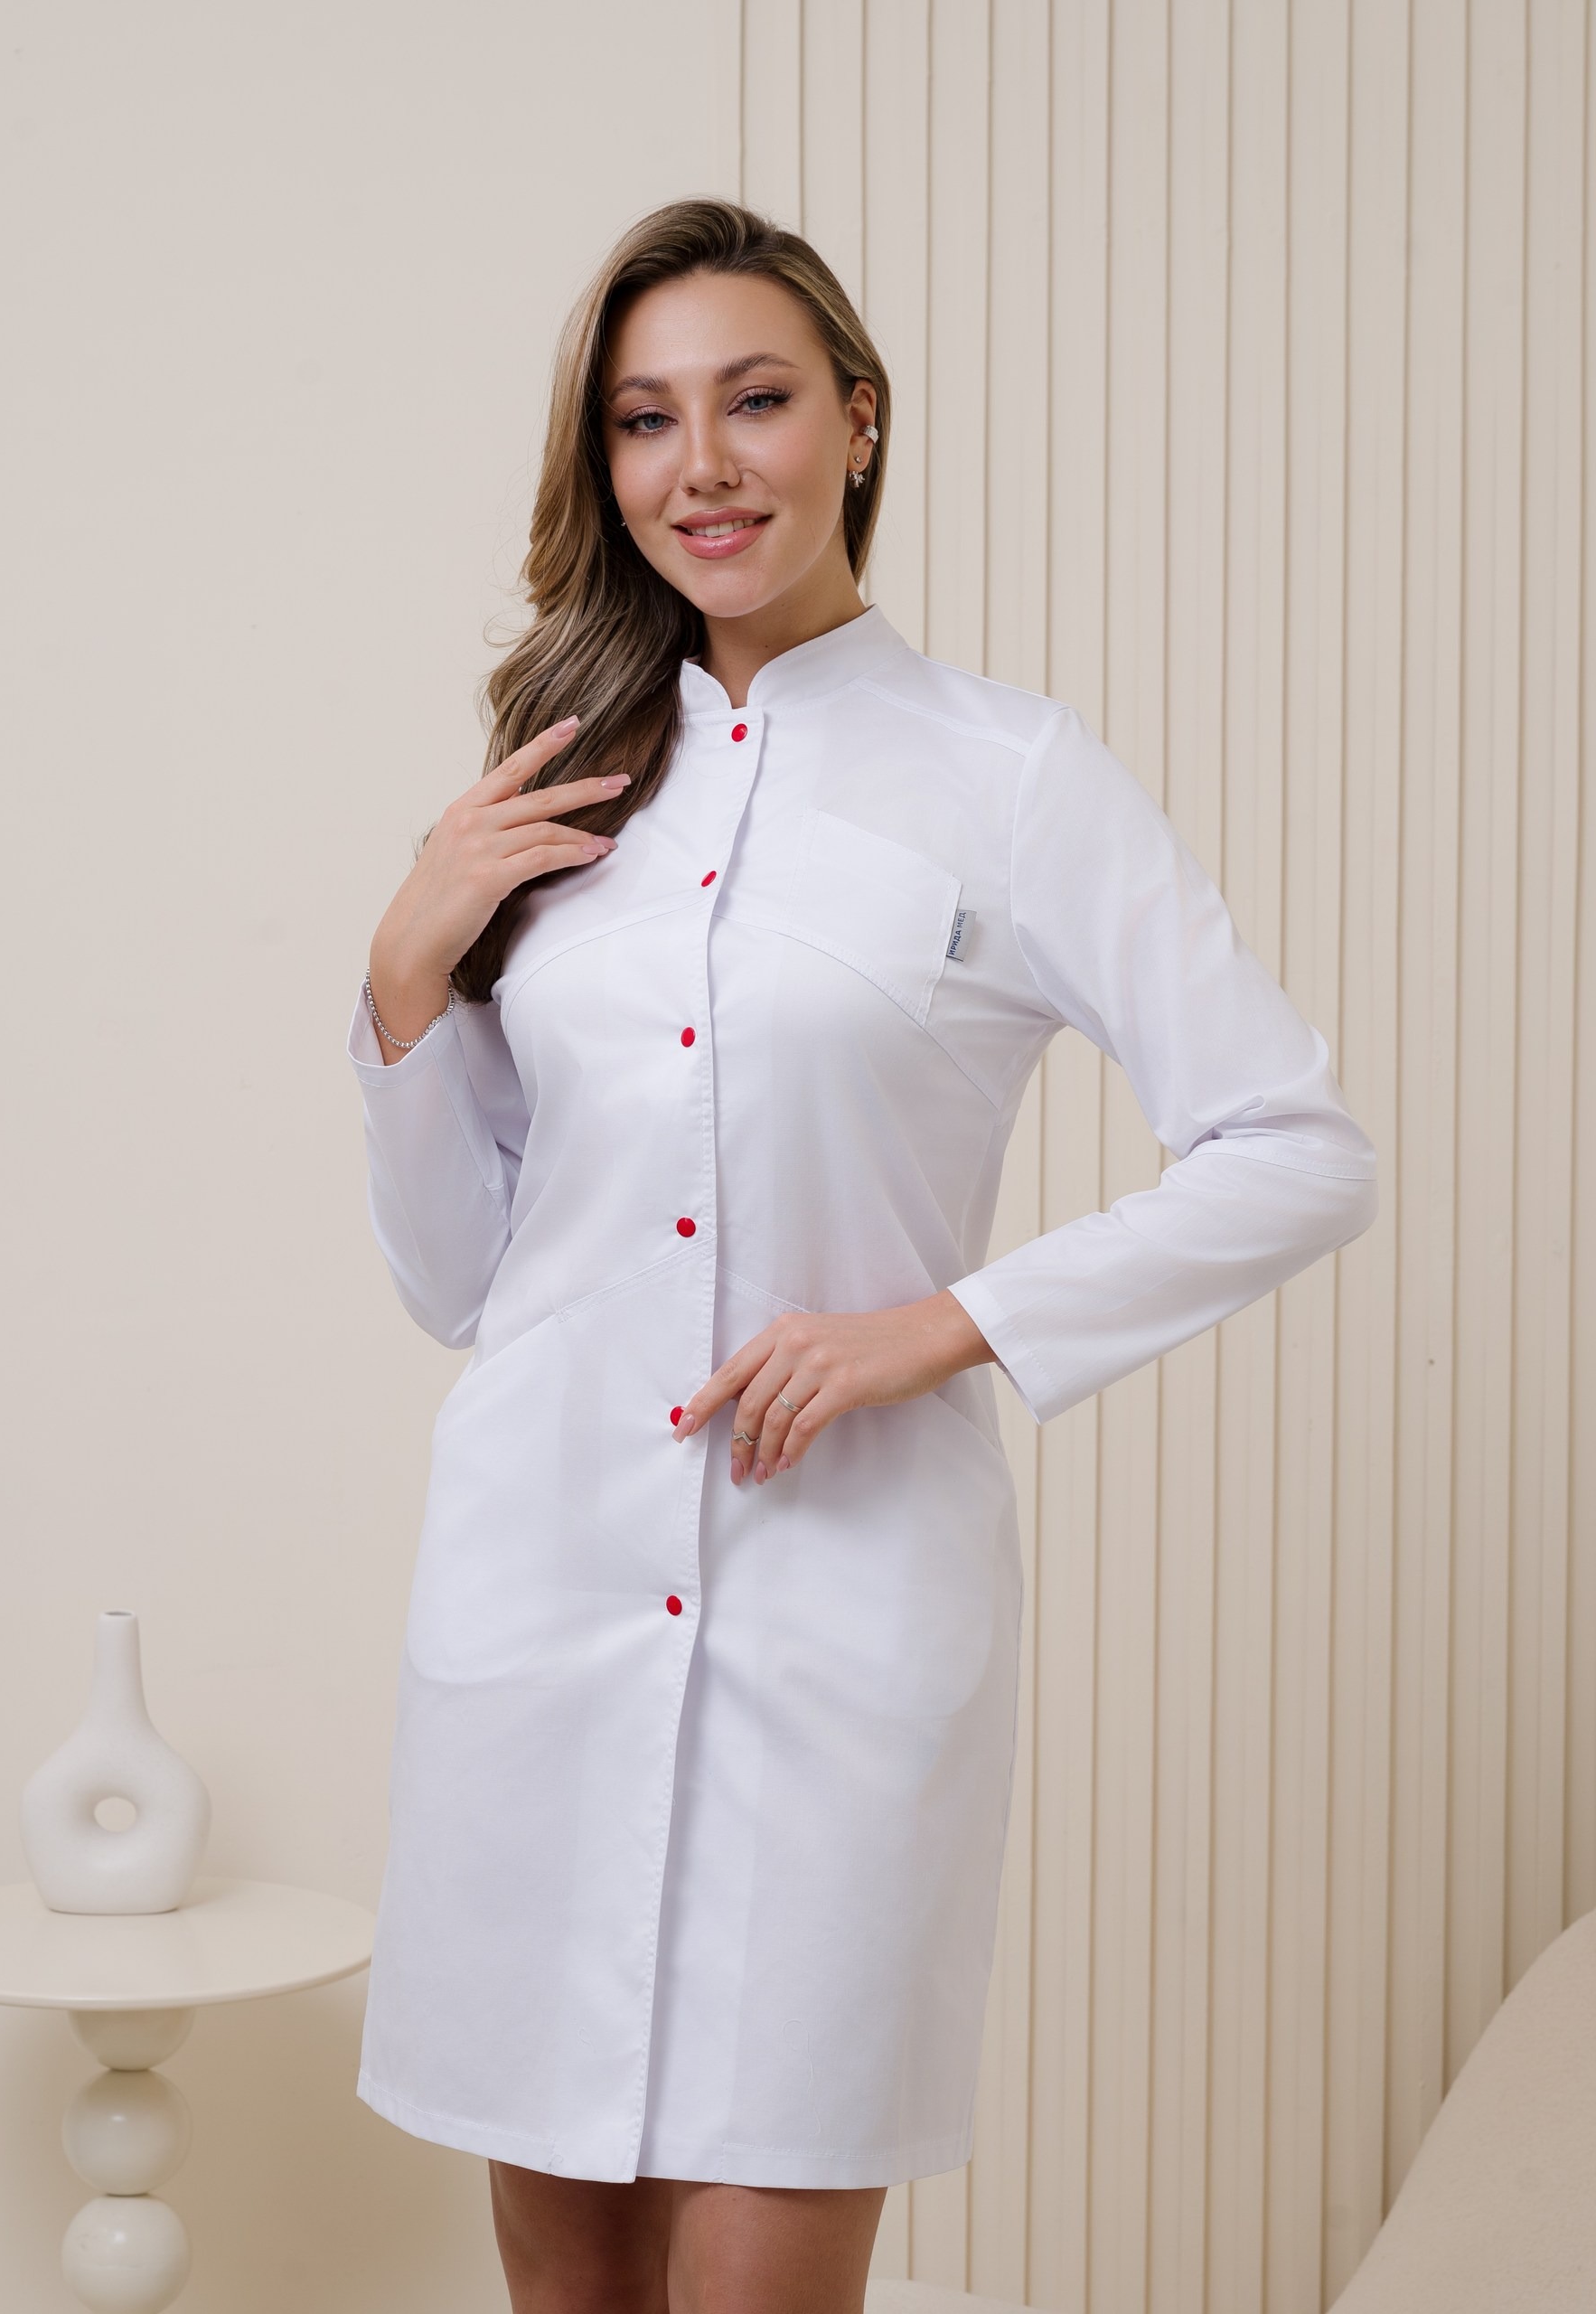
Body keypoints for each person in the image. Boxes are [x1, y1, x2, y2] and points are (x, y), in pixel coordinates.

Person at [345, 197, 1378, 2314]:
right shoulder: (555, 796)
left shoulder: (1010, 774)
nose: (701, 465)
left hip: (840, 1630)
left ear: (858, 420)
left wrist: (943, 1326)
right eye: (646, 419)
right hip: (536, 1607)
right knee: (567, 2283)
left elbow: (1297, 1146)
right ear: (603, 460)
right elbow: (464, 1281)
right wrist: (404, 978)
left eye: (755, 401)